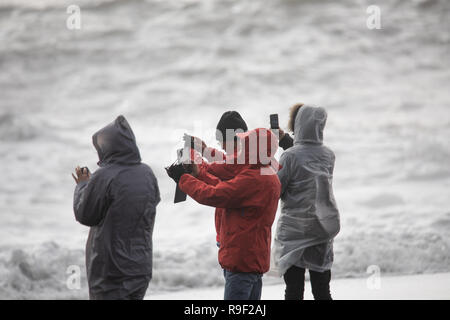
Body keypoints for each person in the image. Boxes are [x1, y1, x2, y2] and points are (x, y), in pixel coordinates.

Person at [168, 128, 281, 300]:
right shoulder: (268, 175)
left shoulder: (252, 179)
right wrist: (199, 172)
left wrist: (184, 179)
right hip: (255, 258)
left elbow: (213, 195)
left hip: (240, 261)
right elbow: (227, 188)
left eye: (245, 146)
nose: (241, 150)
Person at [72, 115, 160, 300]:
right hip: (140, 267)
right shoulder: (147, 173)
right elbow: (152, 201)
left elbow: (85, 215)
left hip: (110, 271)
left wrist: (82, 185)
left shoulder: (104, 176)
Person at [273, 105, 340, 300]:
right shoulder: (329, 155)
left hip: (294, 232)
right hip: (322, 227)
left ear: (299, 125)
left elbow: (276, 189)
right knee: (322, 290)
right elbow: (307, 160)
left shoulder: (290, 156)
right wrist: (287, 141)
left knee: (294, 291)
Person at [184, 111, 248, 247]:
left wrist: (190, 154)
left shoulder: (236, 163)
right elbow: (225, 163)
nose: (222, 147)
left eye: (221, 142)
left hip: (233, 235)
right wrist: (205, 150)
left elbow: (209, 172)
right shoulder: (247, 158)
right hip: (240, 233)